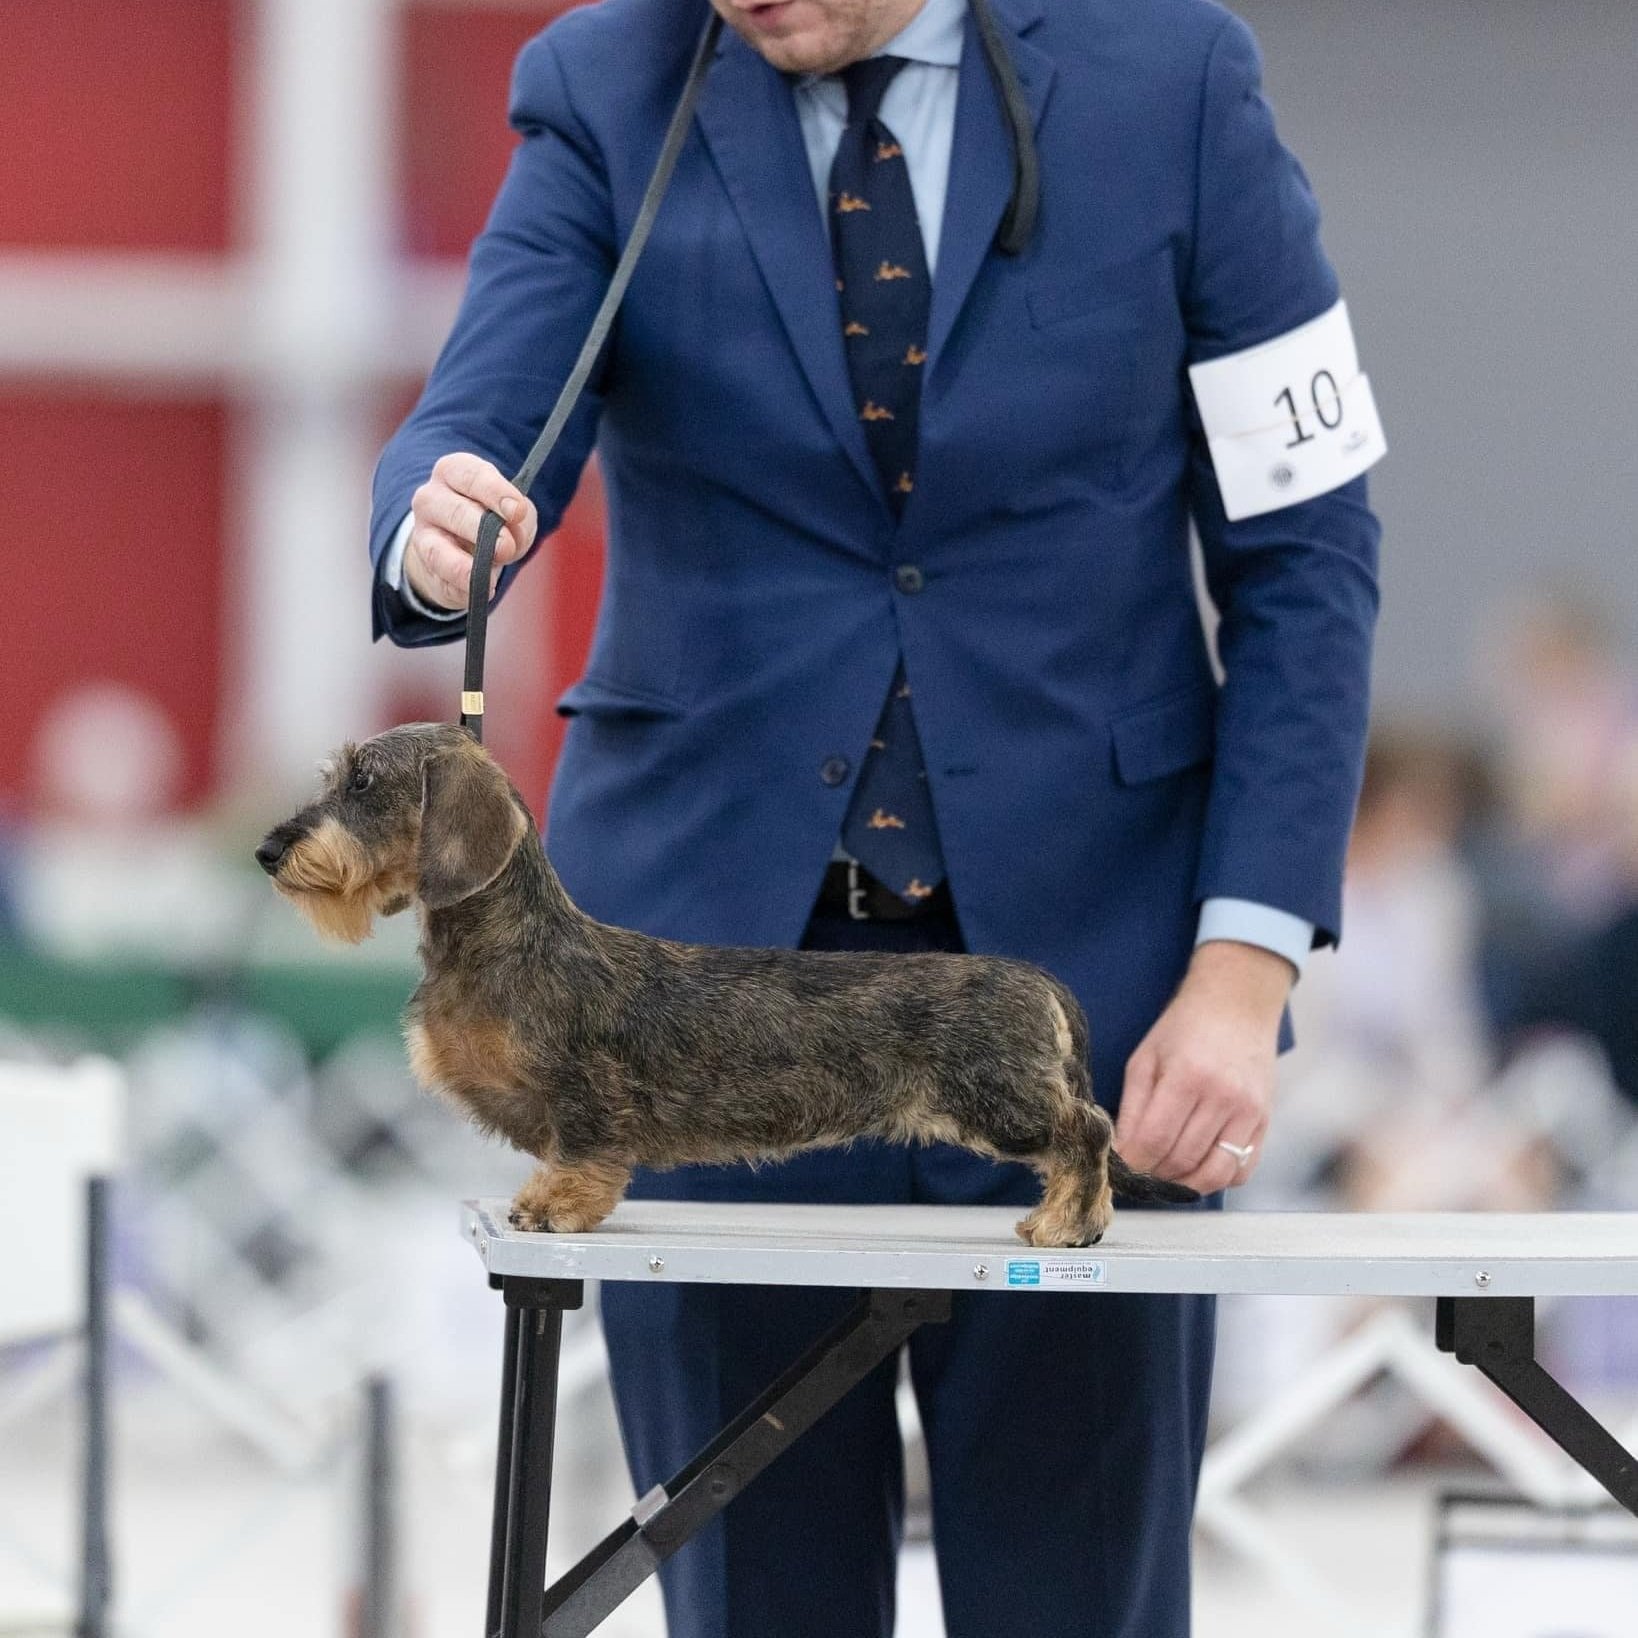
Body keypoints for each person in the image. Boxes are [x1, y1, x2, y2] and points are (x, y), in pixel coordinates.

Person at [369, 0, 1381, 1631]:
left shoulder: (1174, 76)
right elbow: (481, 416)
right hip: (687, 1015)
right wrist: (436, 528)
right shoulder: (599, 81)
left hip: (1089, 1008)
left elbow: (1307, 555)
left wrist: (1242, 971)